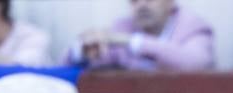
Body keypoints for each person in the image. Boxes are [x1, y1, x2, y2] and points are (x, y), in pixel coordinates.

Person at [69, 0, 214, 72]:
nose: (142, 5)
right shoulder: (123, 27)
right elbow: (66, 65)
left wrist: (133, 41)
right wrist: (83, 51)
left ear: (171, 3)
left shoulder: (193, 26)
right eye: (134, 0)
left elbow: (196, 63)